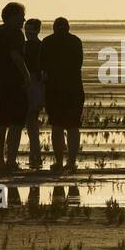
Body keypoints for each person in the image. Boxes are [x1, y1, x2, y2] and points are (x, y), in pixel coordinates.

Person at [0, 2, 31, 172]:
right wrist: (26, 75)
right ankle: (10, 161)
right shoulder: (16, 34)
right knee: (16, 123)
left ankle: (0, 163)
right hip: (12, 84)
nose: (23, 19)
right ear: (12, 17)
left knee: (1, 123)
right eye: (20, 16)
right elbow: (16, 56)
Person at [40, 16, 85, 170]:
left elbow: (43, 65)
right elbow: (79, 63)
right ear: (68, 28)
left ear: (54, 28)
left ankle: (59, 162)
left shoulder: (47, 42)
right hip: (74, 87)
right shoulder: (75, 41)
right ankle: (71, 161)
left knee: (57, 126)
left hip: (54, 88)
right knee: (73, 126)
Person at [22, 18, 45, 169]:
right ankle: (35, 154)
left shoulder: (39, 46)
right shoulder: (27, 45)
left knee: (31, 121)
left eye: (31, 30)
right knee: (31, 122)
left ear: (37, 30)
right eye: (26, 29)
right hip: (28, 84)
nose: (28, 32)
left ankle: (35, 154)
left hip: (34, 84)